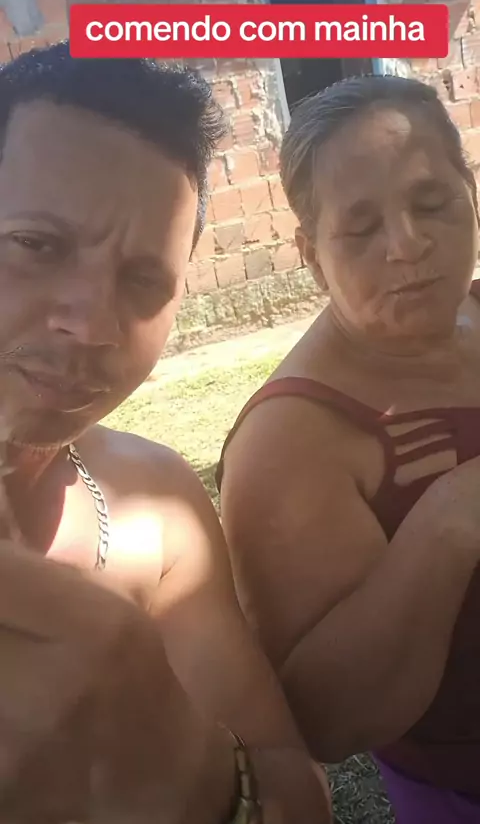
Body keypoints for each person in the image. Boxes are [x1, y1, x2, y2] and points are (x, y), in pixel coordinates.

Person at [0, 41, 331, 822]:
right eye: (35, 245)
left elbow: (299, 791)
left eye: (144, 280)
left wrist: (180, 755)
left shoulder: (155, 506)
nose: (92, 325)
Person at [219, 74, 480, 823]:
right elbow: (327, 719)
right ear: (310, 253)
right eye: (361, 229)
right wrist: (447, 523)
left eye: (432, 202)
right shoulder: (291, 440)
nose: (408, 245)